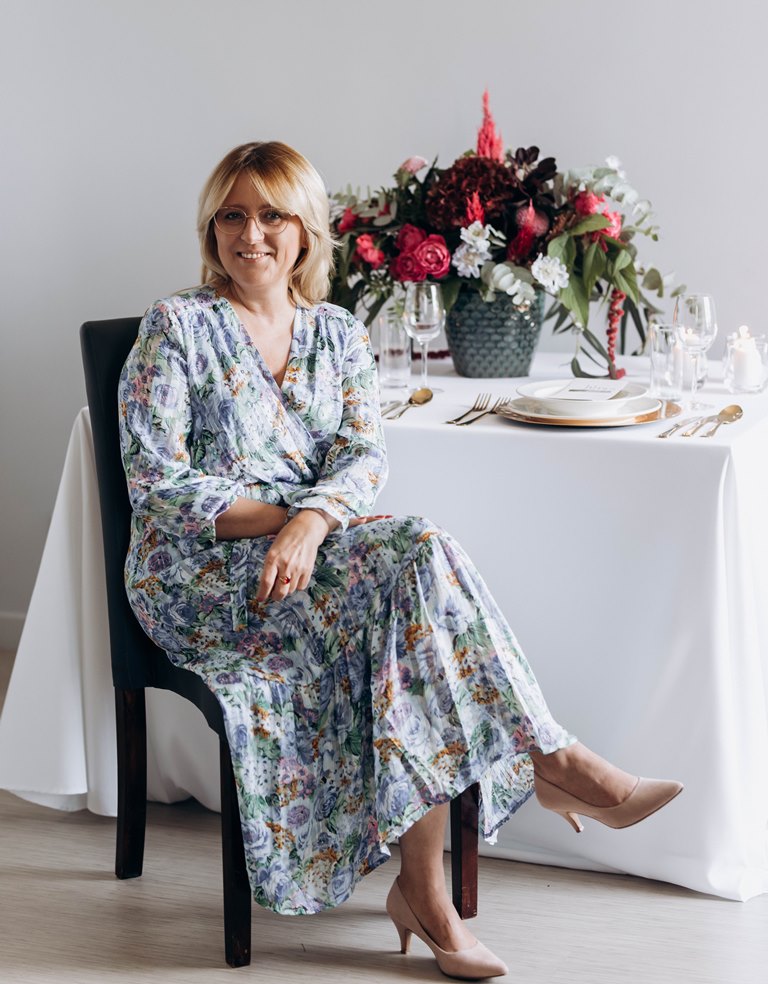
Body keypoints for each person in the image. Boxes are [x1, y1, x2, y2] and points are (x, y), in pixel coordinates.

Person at [118, 141, 682, 980]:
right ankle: (553, 763)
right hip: (200, 574)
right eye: (233, 215)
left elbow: (363, 456)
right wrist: (298, 520)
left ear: (306, 231)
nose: (251, 234)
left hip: (310, 554)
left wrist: (314, 522)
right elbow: (158, 486)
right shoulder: (177, 327)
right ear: (212, 228)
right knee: (414, 559)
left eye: (272, 215)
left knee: (413, 597)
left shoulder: (337, 332)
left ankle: (430, 887)